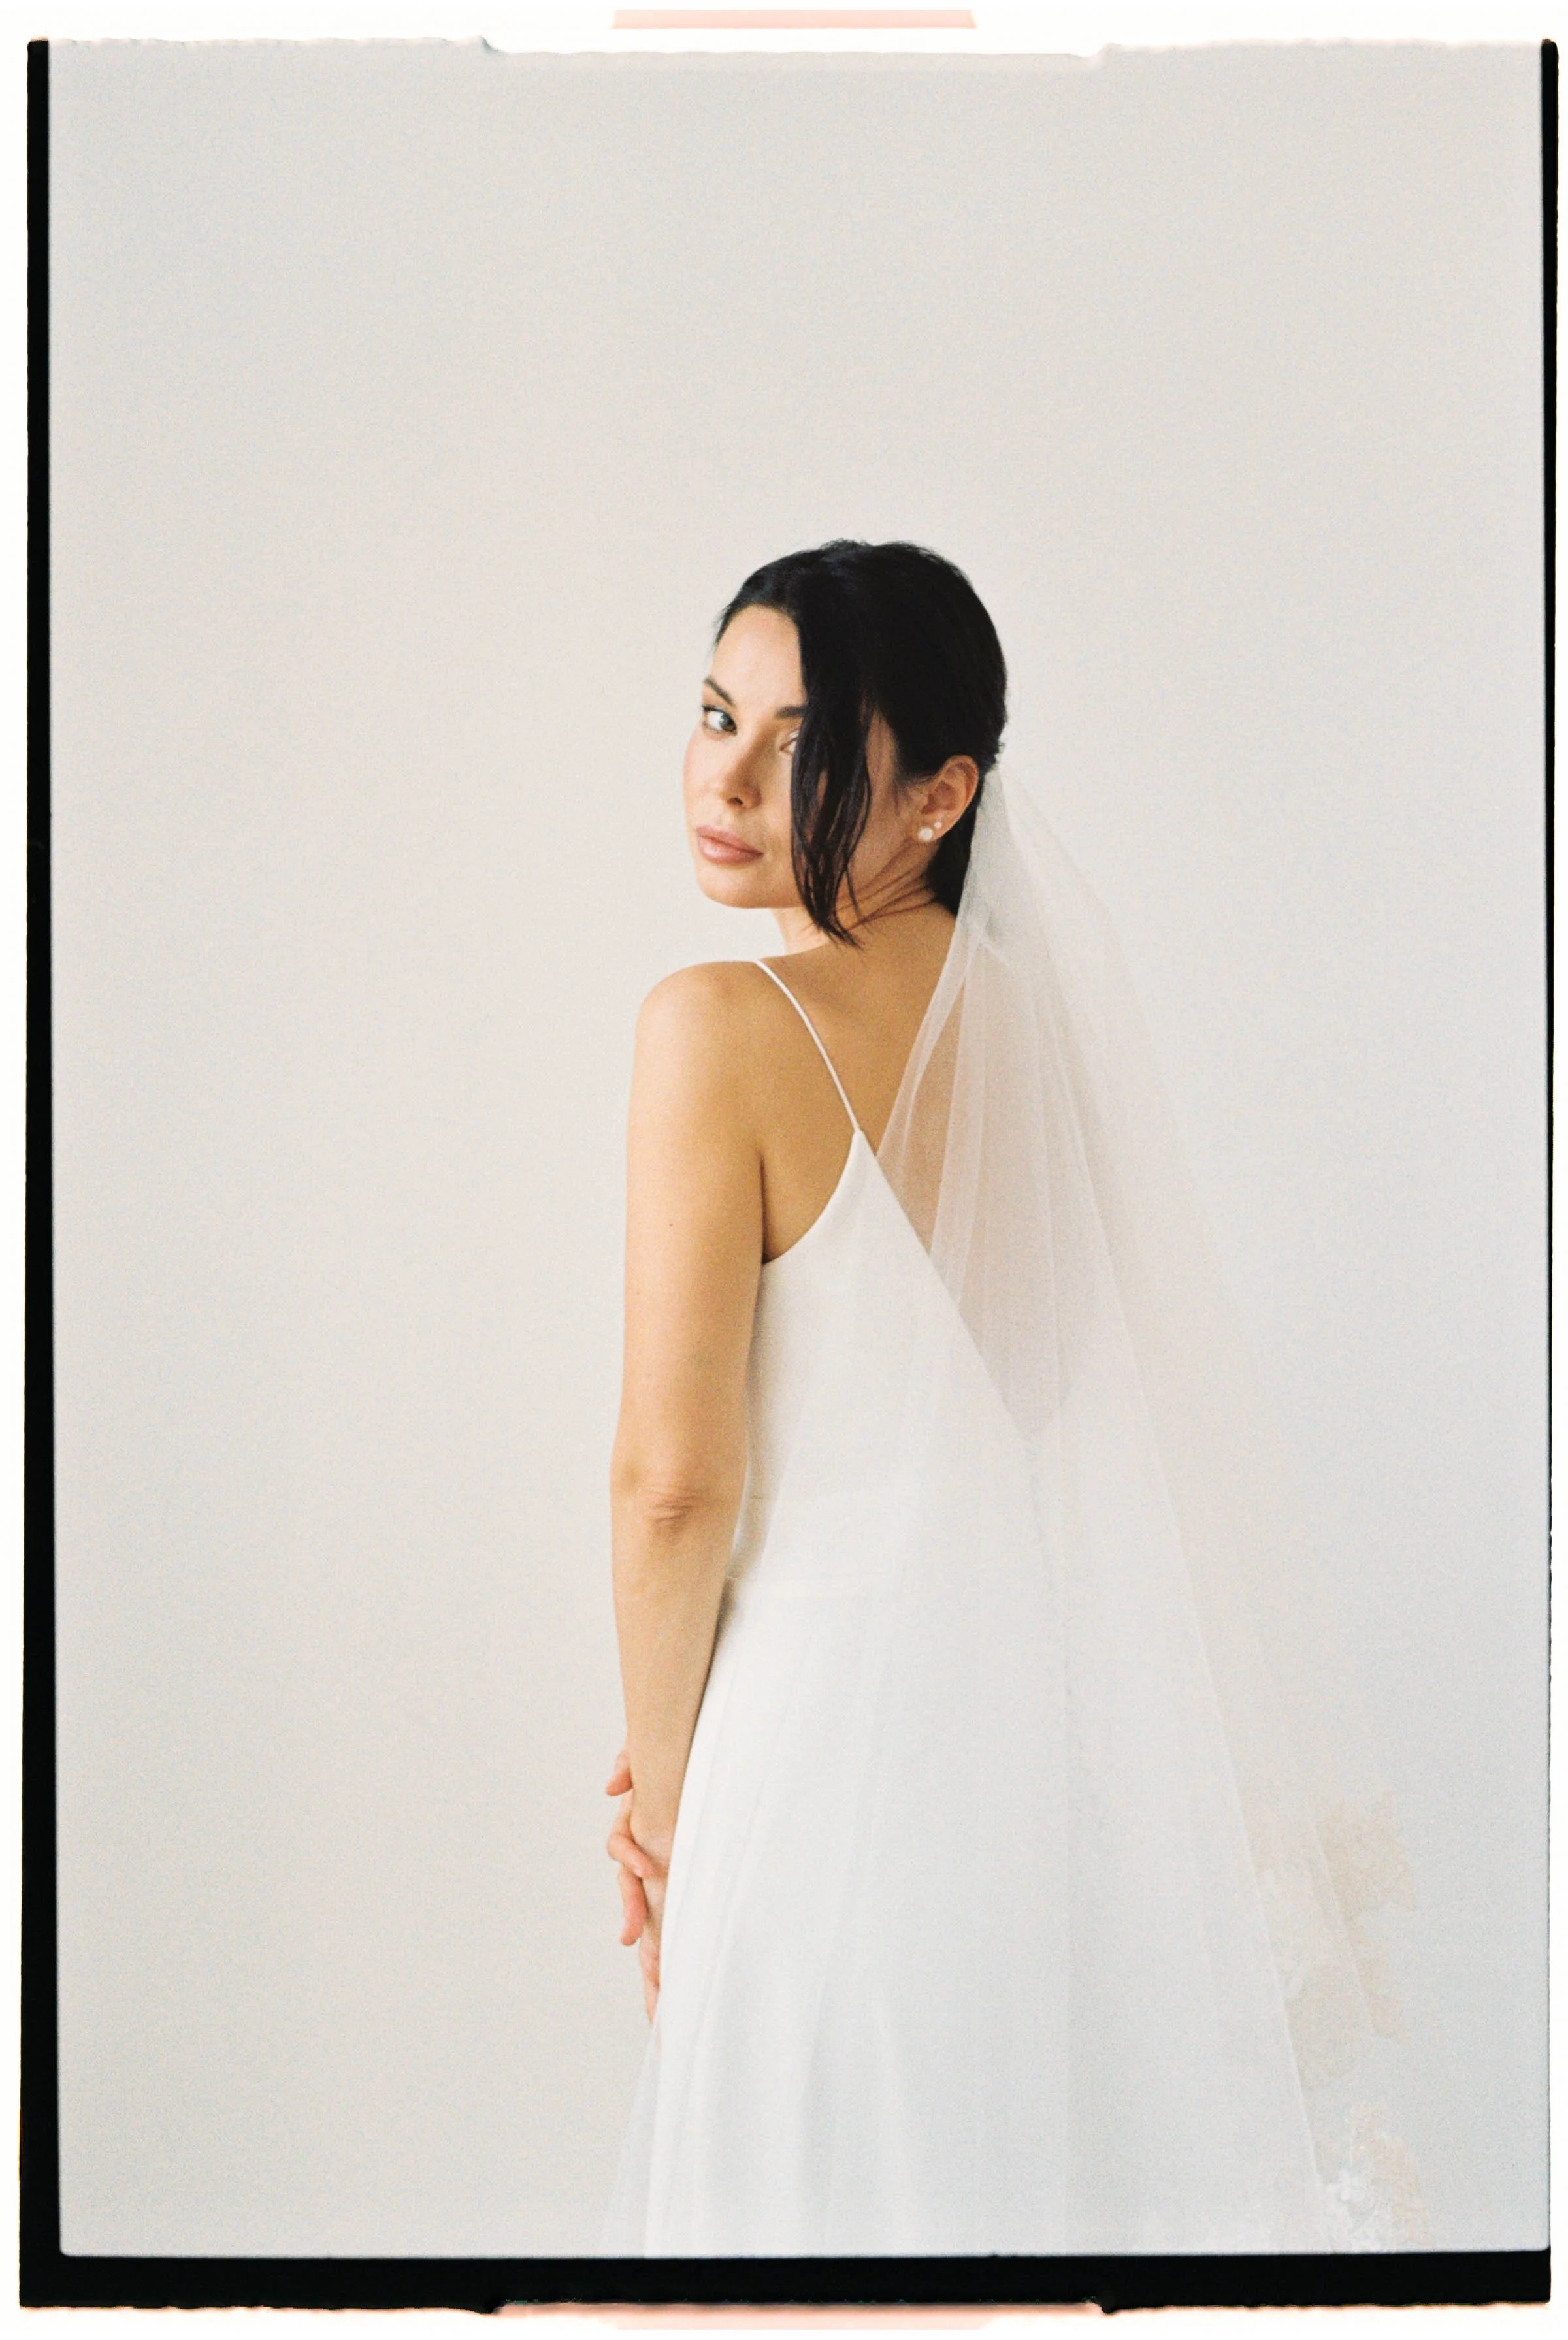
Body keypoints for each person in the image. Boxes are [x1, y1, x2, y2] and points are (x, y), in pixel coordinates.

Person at [597, 540, 1426, 2258]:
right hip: (1037, 1780)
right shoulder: (1043, 1036)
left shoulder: (717, 1027)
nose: (728, 781)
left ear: (942, 793)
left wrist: (665, 1808)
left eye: (803, 743)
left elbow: (671, 1486)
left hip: (815, 1778)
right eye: (717, 714)